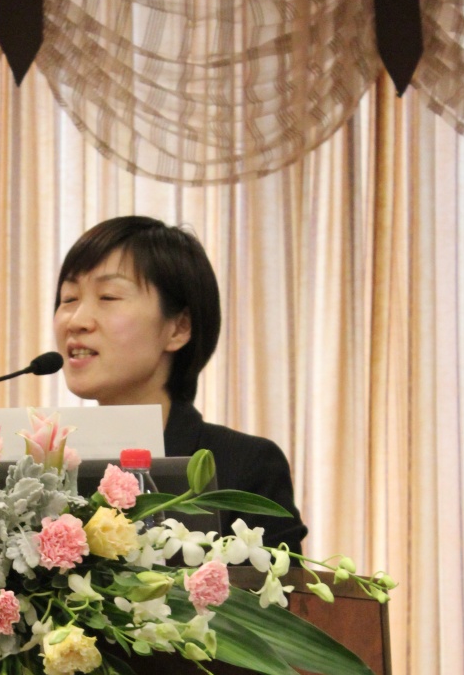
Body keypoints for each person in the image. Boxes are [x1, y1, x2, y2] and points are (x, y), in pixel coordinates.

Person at [53, 215, 307, 552]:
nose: (76, 321)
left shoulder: (244, 467)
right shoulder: (46, 468)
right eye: (69, 298)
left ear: (178, 328)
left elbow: (280, 586)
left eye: (108, 297)